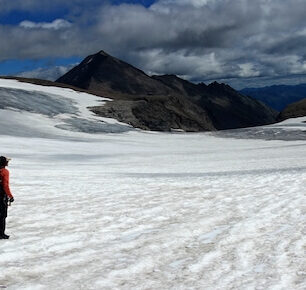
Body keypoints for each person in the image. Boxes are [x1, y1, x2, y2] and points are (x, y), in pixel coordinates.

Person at [0, 156, 14, 239]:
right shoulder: (4, 172)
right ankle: (1, 233)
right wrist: (10, 196)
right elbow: (5, 185)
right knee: (2, 215)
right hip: (1, 195)